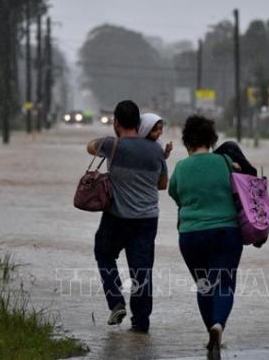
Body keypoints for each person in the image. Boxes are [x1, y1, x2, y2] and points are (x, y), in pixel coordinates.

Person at [86, 100, 168, 334]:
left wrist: (110, 140)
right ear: (139, 123)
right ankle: (141, 323)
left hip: (116, 218)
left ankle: (116, 301)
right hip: (147, 220)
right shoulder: (157, 150)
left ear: (117, 122)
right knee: (142, 270)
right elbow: (162, 184)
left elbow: (89, 147)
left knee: (104, 254)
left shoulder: (111, 144)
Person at [168, 115, 243, 357]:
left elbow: (175, 194)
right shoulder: (224, 161)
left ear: (187, 141)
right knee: (224, 283)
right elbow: (241, 186)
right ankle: (218, 324)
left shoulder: (180, 167)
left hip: (191, 236)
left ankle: (211, 332)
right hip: (225, 233)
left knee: (204, 284)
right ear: (211, 140)